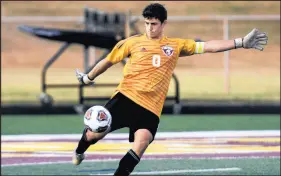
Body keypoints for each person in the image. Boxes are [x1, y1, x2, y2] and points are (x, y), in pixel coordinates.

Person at [73, 3, 268, 176]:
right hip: (125, 98)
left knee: (140, 146)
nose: (150, 28)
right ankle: (80, 150)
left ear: (163, 24)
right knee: (93, 134)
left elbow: (209, 46)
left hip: (151, 108)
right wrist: (88, 77)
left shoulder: (175, 45)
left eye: (154, 24)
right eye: (147, 23)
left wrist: (241, 42)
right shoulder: (132, 42)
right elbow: (108, 61)